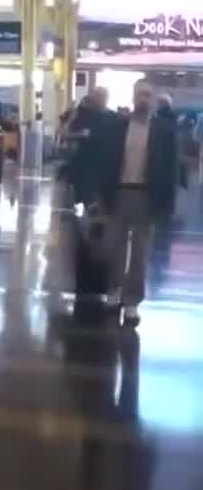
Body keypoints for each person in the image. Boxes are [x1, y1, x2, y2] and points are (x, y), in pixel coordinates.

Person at [77, 79, 178, 326]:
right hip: (117, 193)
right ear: (133, 97)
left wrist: (168, 203)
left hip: (147, 196)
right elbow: (103, 162)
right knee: (114, 247)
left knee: (140, 253)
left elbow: (171, 169)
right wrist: (95, 197)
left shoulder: (164, 131)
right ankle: (114, 291)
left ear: (153, 99)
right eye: (139, 94)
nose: (143, 99)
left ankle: (132, 302)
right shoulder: (117, 126)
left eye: (147, 95)